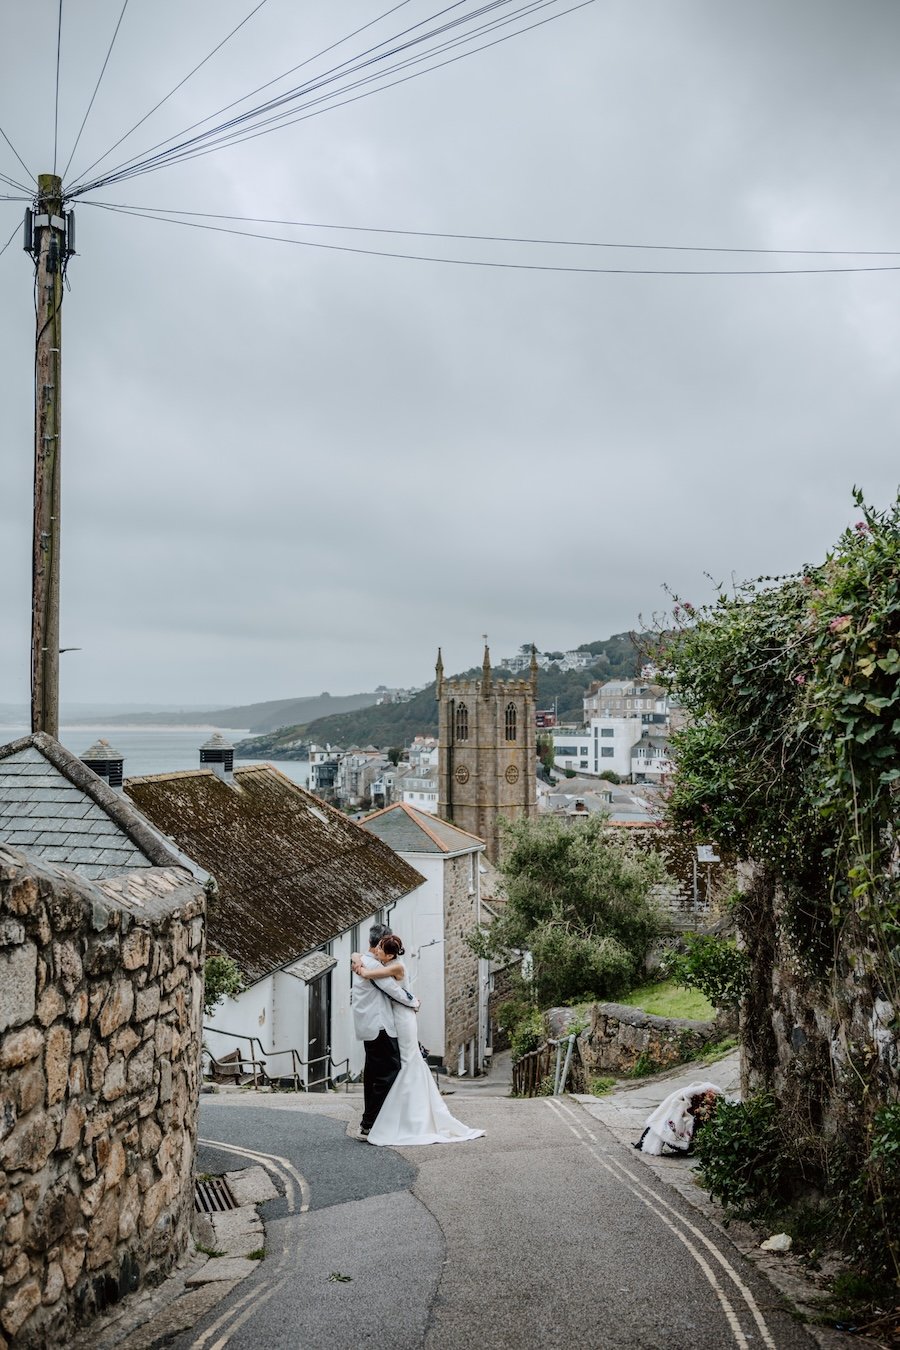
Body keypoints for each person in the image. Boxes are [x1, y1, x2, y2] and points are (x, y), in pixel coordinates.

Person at [351, 933, 484, 1147]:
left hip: (403, 1017)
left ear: (391, 954)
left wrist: (412, 1002)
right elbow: (366, 964)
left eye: (381, 950)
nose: (376, 951)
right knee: (403, 1064)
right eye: (377, 948)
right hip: (399, 1016)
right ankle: (399, 1115)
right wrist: (356, 956)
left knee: (405, 1063)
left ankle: (401, 1118)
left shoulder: (395, 967)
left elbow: (382, 983)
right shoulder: (386, 961)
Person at [352, 922, 420, 1140]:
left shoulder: (364, 960)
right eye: (384, 944)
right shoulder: (372, 965)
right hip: (380, 1025)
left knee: (373, 1073)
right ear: (380, 943)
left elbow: (357, 957)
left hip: (370, 1025)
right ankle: (371, 1123)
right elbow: (395, 991)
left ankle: (370, 1123)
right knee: (390, 1071)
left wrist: (356, 958)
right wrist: (414, 1002)